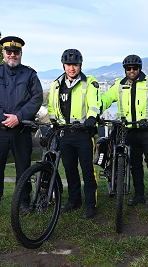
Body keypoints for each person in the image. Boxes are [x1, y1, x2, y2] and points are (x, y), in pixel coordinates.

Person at [0, 36, 43, 219]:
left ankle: (23, 202)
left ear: (21, 54)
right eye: (9, 52)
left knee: (23, 168)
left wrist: (19, 117)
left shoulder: (30, 75)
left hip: (21, 130)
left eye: (16, 52)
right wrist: (2, 116)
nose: (12, 55)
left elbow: (36, 98)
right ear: (3, 53)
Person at [101, 54, 148, 213]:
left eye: (135, 68)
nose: (132, 71)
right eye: (128, 69)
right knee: (135, 165)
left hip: (147, 130)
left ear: (140, 68)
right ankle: (139, 195)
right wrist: (94, 112)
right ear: (125, 70)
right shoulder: (119, 85)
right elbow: (105, 99)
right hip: (129, 130)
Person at [48, 49, 101, 219]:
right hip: (65, 133)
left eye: (75, 65)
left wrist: (92, 117)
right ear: (63, 65)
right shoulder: (56, 84)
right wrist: (53, 123)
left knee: (87, 170)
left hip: (83, 133)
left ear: (80, 65)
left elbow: (94, 103)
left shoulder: (89, 83)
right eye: (69, 64)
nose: (72, 68)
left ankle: (90, 204)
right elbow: (51, 107)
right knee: (70, 169)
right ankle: (74, 200)